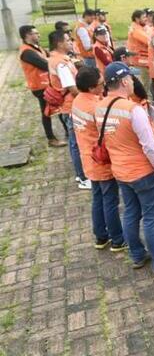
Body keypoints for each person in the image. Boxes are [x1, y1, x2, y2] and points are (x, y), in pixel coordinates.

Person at [96, 62, 154, 277]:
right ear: (124, 81)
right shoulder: (133, 110)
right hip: (142, 172)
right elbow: (149, 145)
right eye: (130, 78)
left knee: (130, 213)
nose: (132, 82)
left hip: (120, 171)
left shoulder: (101, 107)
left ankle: (138, 255)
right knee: (151, 218)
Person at [72, 66, 127, 251]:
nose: (104, 86)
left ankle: (101, 236)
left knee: (98, 198)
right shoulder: (95, 107)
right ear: (91, 87)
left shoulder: (78, 101)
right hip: (101, 160)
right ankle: (118, 239)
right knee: (110, 200)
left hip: (88, 158)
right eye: (101, 84)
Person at [49, 29, 90, 190]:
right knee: (77, 143)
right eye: (67, 40)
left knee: (75, 142)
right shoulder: (61, 63)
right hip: (71, 106)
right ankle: (82, 177)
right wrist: (88, 97)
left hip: (69, 106)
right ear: (59, 43)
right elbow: (71, 87)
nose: (71, 42)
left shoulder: (58, 59)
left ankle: (81, 174)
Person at [19, 25, 67, 147]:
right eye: (36, 33)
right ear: (27, 35)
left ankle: (66, 131)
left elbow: (49, 57)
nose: (39, 35)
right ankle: (51, 138)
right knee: (48, 111)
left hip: (47, 84)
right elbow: (45, 64)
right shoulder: (27, 52)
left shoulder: (36, 47)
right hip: (40, 87)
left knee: (58, 107)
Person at [127, 10, 152, 86]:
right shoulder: (136, 30)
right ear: (137, 19)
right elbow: (149, 41)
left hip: (143, 61)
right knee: (145, 85)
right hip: (140, 62)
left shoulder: (142, 27)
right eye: (144, 17)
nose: (146, 19)